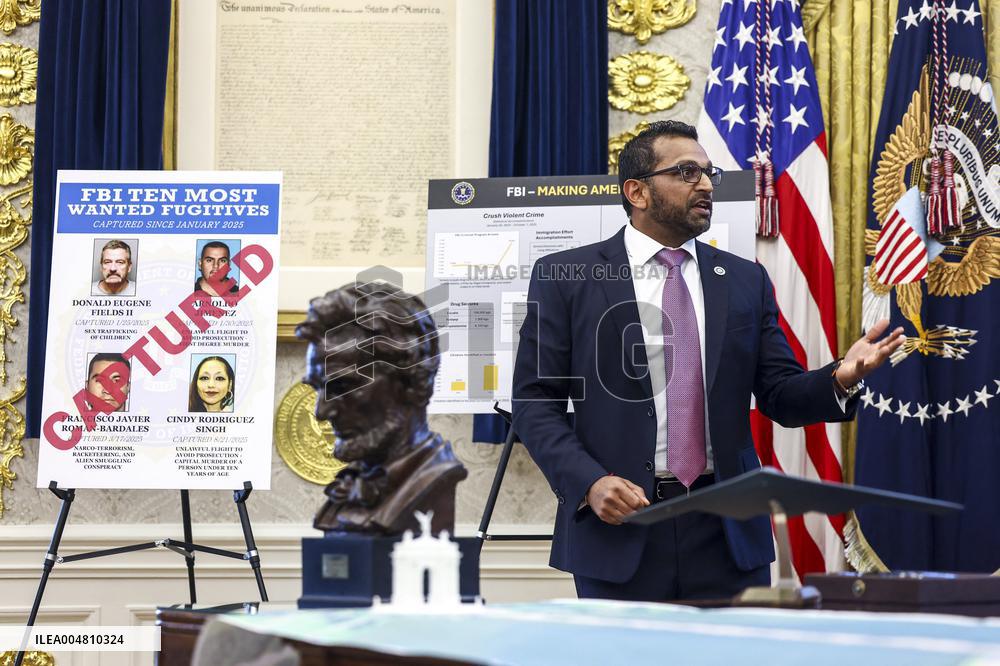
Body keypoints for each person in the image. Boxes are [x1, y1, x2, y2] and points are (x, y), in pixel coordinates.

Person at [511, 120, 905, 602]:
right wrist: (589, 483)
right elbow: (535, 401)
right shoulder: (565, 277)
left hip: (728, 533)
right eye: (686, 172)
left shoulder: (744, 281)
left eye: (708, 173)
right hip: (619, 525)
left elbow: (779, 394)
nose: (705, 184)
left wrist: (840, 377)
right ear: (637, 190)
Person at [297, 281, 467, 536]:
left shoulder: (433, 479)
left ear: (411, 378)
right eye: (318, 388)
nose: (322, 412)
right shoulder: (347, 486)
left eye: (342, 385)